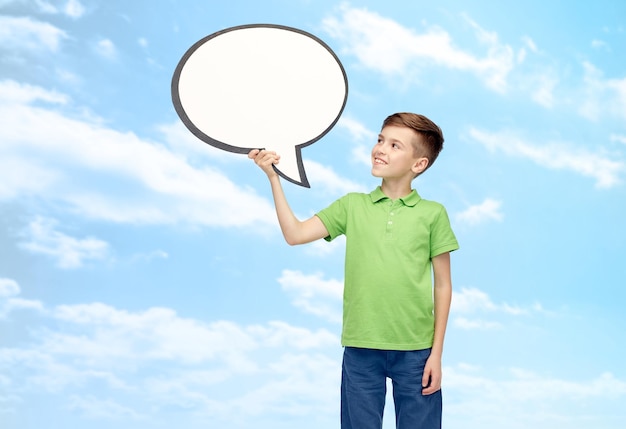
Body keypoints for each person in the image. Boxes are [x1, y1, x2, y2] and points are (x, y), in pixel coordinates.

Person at [248, 112, 459, 429]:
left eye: (394, 145)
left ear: (419, 164)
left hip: (416, 351)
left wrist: (436, 354)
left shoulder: (433, 214)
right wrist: (273, 178)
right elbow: (295, 234)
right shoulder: (352, 205)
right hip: (361, 346)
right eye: (379, 140)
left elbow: (443, 286)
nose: (380, 149)